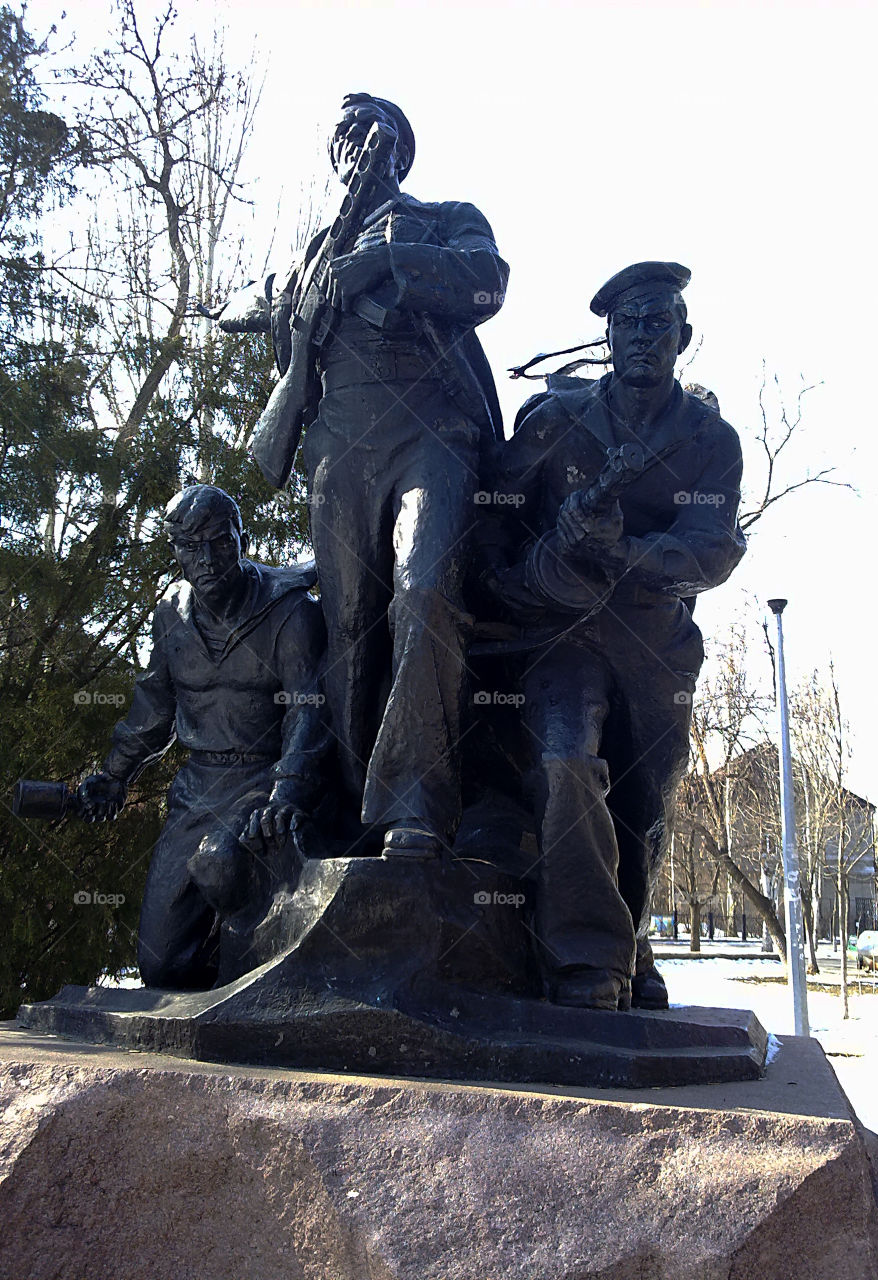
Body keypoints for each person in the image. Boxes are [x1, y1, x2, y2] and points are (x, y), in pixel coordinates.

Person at [220, 93, 508, 861]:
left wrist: (386, 261)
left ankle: (414, 804)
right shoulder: (311, 253)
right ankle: (351, 809)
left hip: (431, 434)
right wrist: (297, 308)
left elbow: (486, 283)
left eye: (367, 131)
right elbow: (266, 342)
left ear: (398, 150)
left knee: (424, 594)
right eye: (340, 134)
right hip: (339, 448)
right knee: (349, 628)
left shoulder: (445, 218)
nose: (352, 144)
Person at [489, 262, 745, 1011]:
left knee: (645, 804)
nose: (642, 336)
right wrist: (528, 572)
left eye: (658, 322)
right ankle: (587, 963)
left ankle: (629, 940)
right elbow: (494, 511)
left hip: (654, 644)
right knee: (568, 761)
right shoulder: (556, 417)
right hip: (563, 637)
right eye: (628, 323)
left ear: (682, 336)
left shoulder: (709, 440)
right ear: (606, 336)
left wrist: (619, 550)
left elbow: (711, 551)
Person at [78, 485, 331, 989]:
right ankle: (219, 996)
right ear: (174, 551)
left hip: (264, 780)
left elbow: (308, 707)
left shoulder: (291, 611)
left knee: (218, 863)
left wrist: (289, 791)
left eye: (219, 542)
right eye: (190, 547)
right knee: (161, 966)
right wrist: (115, 774)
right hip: (195, 790)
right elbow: (154, 707)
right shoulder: (170, 614)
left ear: (241, 537)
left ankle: (262, 984)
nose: (208, 560)